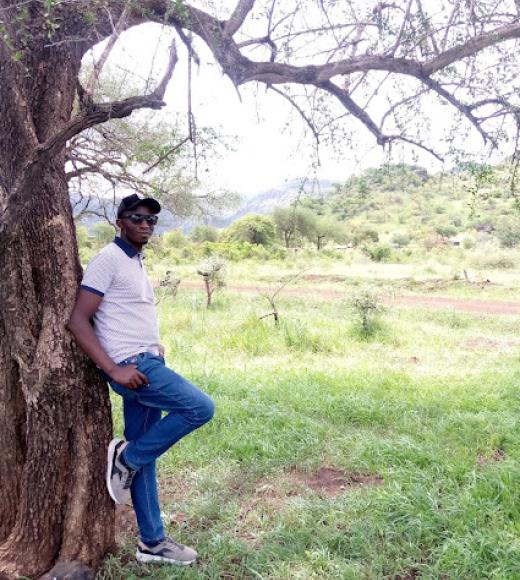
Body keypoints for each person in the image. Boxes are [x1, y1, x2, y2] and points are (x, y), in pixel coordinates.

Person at [68, 193, 214, 566]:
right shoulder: (109, 259)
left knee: (146, 458)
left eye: (151, 220)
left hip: (145, 363)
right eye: (136, 218)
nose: (145, 224)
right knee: (200, 408)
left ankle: (152, 541)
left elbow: (127, 315)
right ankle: (125, 458)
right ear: (120, 221)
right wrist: (113, 369)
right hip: (132, 370)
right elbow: (78, 320)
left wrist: (153, 345)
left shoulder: (136, 261)